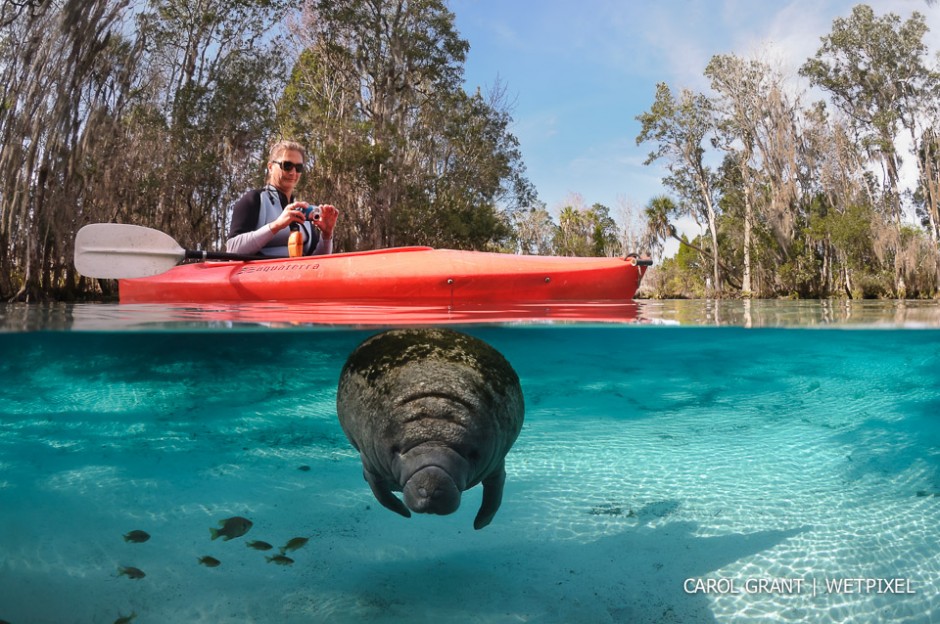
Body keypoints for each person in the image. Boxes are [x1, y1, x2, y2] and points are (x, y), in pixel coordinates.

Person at [226, 140, 339, 257]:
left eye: (298, 167)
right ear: (270, 167)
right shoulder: (254, 200)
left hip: (301, 273)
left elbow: (317, 262)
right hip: (261, 273)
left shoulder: (304, 210)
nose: (293, 172)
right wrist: (276, 225)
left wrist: (326, 235)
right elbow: (233, 249)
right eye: (287, 166)